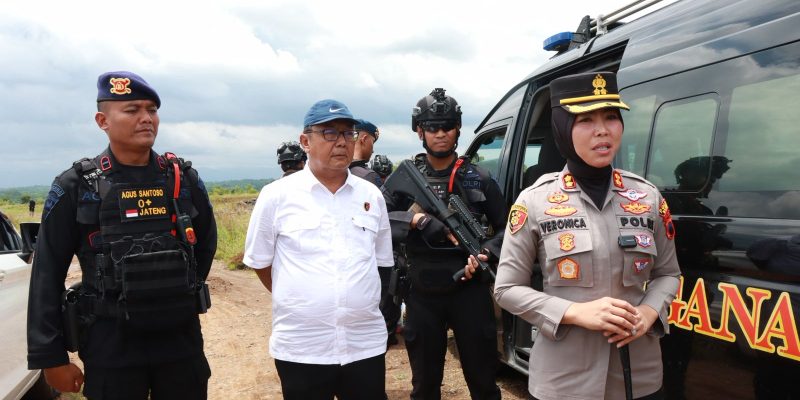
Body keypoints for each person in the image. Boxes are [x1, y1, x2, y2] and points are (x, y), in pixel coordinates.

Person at [487, 71, 681, 400]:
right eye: (586, 119)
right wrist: (575, 313)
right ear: (563, 127)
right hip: (564, 380)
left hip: (639, 375)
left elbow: (668, 274)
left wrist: (649, 313)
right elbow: (506, 289)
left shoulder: (646, 197)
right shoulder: (535, 200)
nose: (602, 130)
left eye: (610, 117)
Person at [27, 71, 217, 399]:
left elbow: (205, 245)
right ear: (103, 120)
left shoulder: (181, 178)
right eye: (132, 110)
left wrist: (169, 289)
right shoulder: (76, 185)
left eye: (152, 110)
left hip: (179, 341)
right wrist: (51, 357)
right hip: (111, 344)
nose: (146, 119)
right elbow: (47, 273)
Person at [243, 99, 393, 400]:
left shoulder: (371, 196)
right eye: (329, 133)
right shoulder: (276, 196)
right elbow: (261, 262)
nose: (341, 142)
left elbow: (381, 262)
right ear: (305, 142)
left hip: (363, 345)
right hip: (303, 347)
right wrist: (301, 298)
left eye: (348, 133)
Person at [383, 88, 506, 400]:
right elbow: (374, 219)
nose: (440, 134)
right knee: (424, 387)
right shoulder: (404, 177)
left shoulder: (478, 177)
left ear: (458, 129)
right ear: (419, 131)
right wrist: (417, 221)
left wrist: (487, 252)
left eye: (447, 126)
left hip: (470, 289)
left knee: (484, 385)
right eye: (432, 128)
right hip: (422, 291)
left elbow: (509, 230)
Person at [349, 119, 383, 187]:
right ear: (364, 140)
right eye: (372, 142)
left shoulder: (336, 172)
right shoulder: (369, 176)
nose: (373, 151)